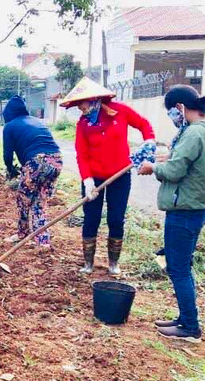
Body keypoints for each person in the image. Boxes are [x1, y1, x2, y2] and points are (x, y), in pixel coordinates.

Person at [138, 85, 205, 343]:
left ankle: (190, 327)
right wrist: (168, 156)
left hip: (185, 210)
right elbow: (204, 164)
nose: (172, 116)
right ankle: (184, 318)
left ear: (180, 107)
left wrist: (153, 167)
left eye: (172, 111)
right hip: (197, 206)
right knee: (182, 266)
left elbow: (176, 171)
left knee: (178, 269)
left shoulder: (193, 133)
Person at [60, 77, 156, 274]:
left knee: (115, 218)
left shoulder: (120, 111)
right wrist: (87, 180)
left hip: (120, 176)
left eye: (82, 104)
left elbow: (144, 124)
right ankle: (88, 263)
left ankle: (113, 263)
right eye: (78, 105)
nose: (80, 108)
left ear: (94, 99)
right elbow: (82, 154)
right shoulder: (83, 124)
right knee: (91, 218)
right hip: (94, 178)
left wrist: (149, 141)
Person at [1, 96, 64, 247]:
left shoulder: (9, 126)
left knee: (23, 199)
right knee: (39, 202)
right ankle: (43, 242)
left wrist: (10, 170)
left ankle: (22, 233)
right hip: (56, 161)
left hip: (37, 162)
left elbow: (7, 154)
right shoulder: (36, 120)